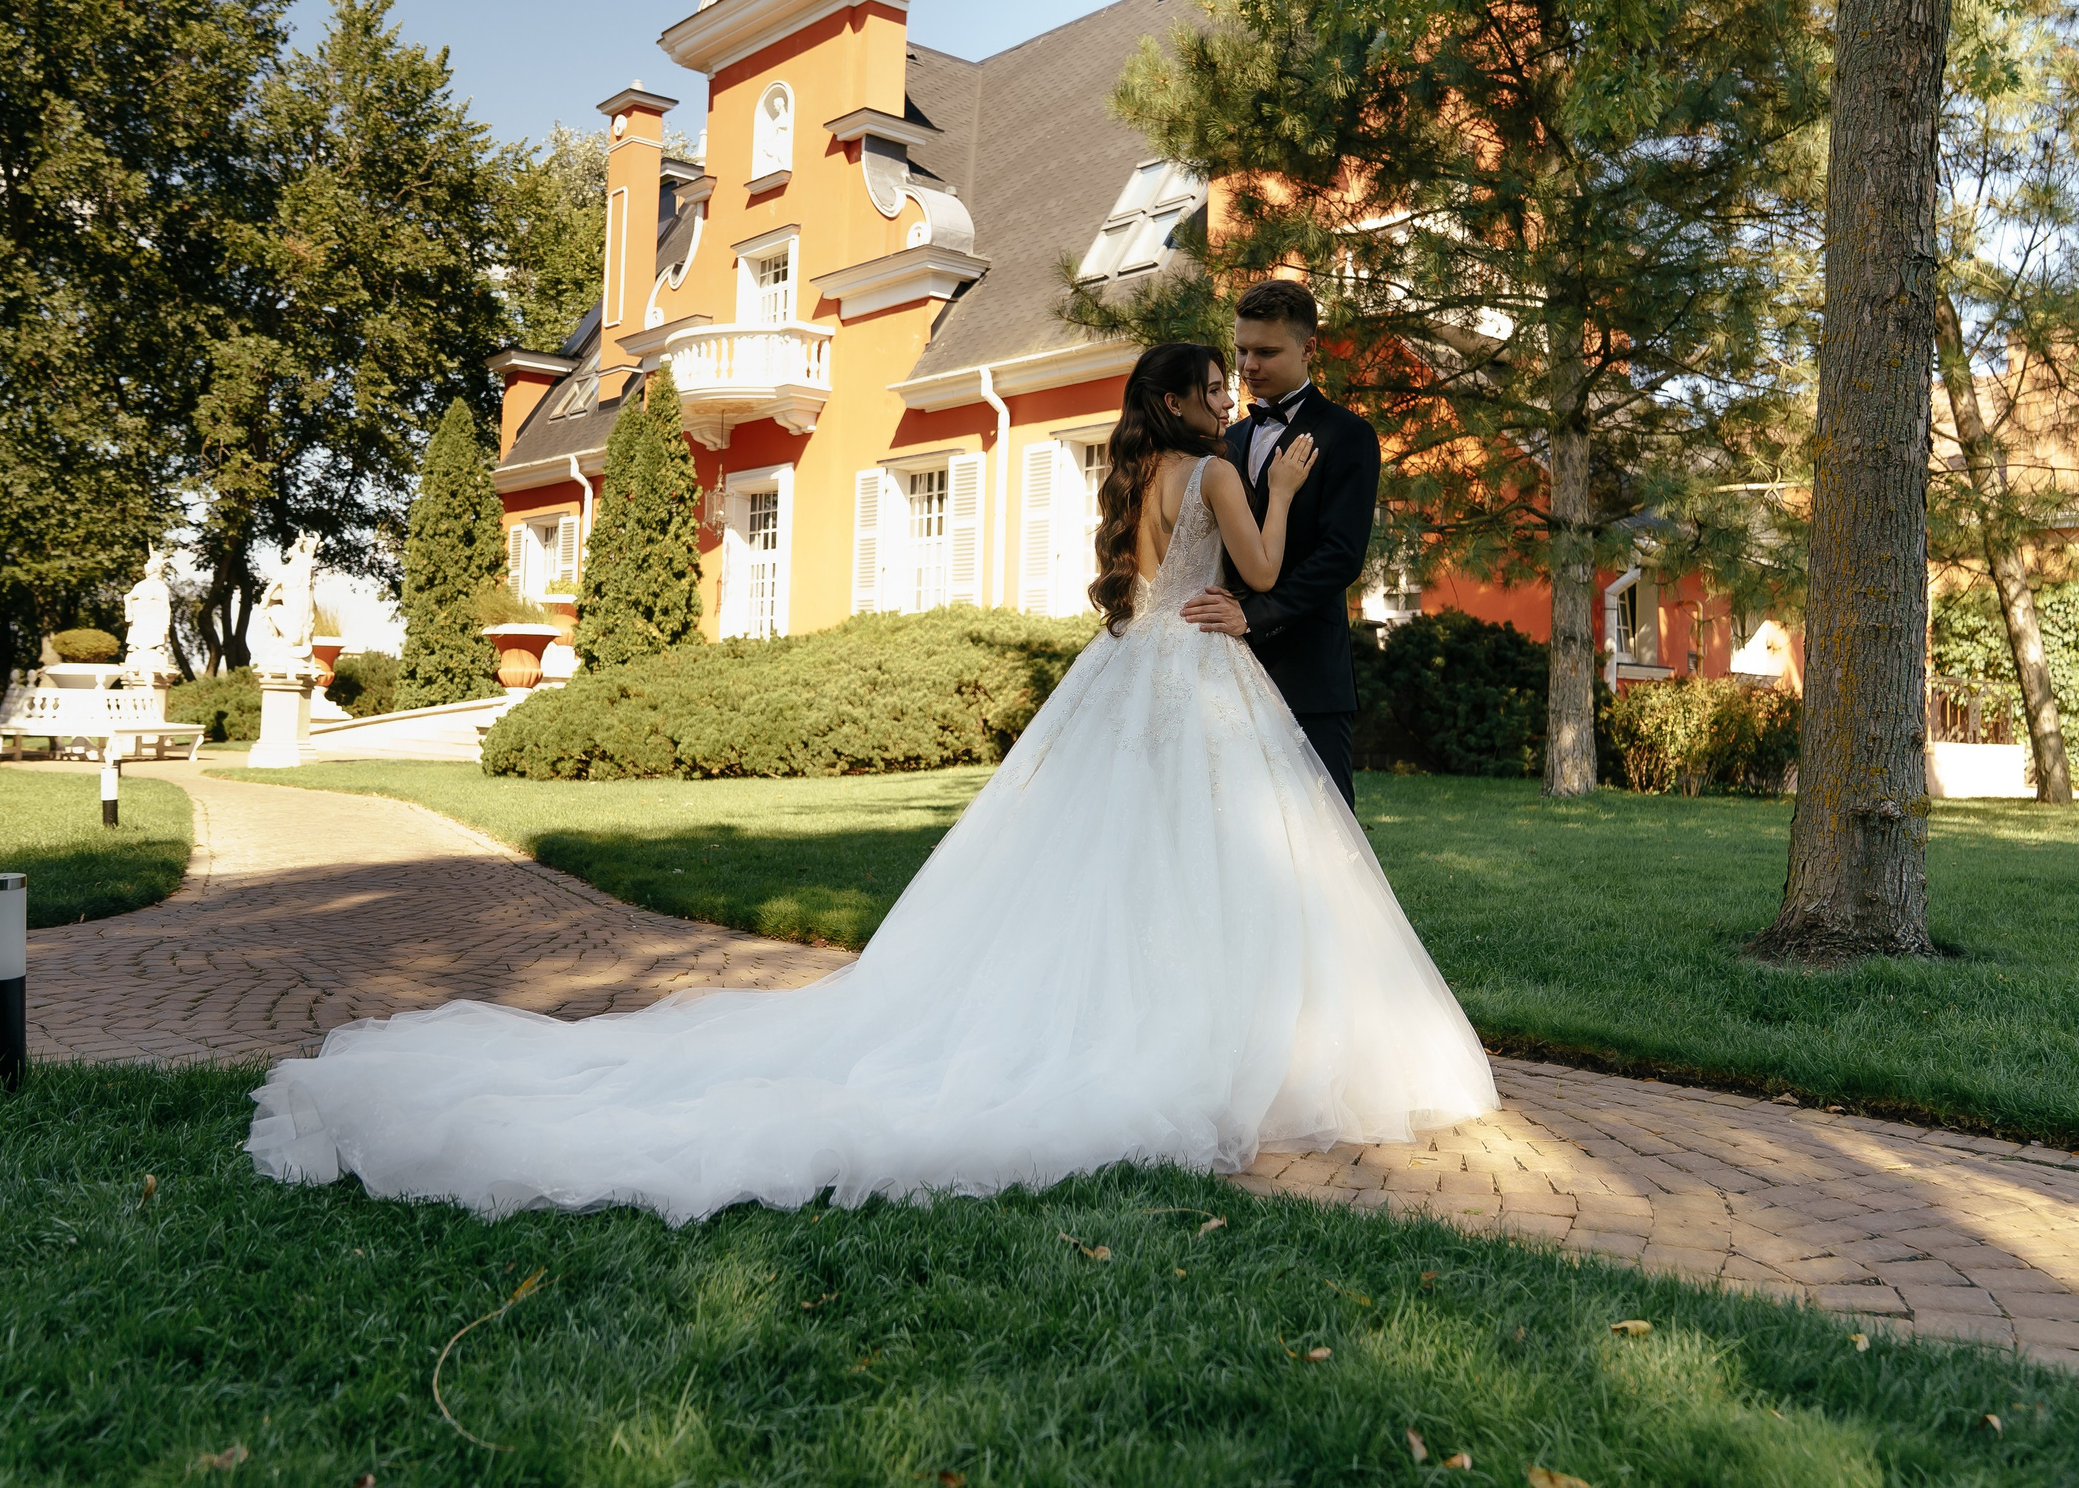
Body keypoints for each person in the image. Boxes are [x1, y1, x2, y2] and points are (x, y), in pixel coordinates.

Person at [245, 341, 1496, 1222]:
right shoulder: (1223, 469)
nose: (1229, 392)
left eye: (1239, 375)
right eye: (1214, 382)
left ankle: (1147, 1013)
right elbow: (1266, 568)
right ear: (1180, 400)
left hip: (1130, 675)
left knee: (1116, 860)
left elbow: (1149, 582)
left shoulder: (1134, 479)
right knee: (1217, 863)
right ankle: (1232, 1036)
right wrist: (1276, 487)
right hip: (1207, 672)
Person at [1181, 279, 1376, 808]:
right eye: (1242, 350)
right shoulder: (1229, 439)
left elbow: (1341, 556)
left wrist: (1254, 615)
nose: (1248, 366)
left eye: (1266, 352)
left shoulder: (1348, 436)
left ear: (1309, 347)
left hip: (1308, 671)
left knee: (1328, 830)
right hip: (1222, 670)